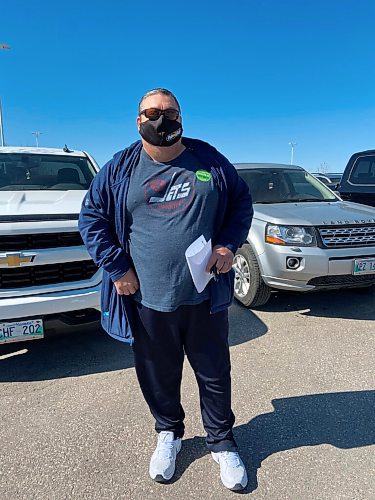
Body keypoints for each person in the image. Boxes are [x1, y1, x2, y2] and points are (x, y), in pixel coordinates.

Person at [78, 88, 253, 491]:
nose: (161, 119)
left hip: (204, 294)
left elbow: (241, 200)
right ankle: (169, 433)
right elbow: (91, 219)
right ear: (138, 121)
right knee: (158, 373)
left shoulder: (207, 159)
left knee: (213, 373)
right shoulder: (121, 168)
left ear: (181, 118)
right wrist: (118, 267)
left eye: (169, 112)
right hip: (146, 300)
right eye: (151, 113)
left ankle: (222, 441)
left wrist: (227, 244)